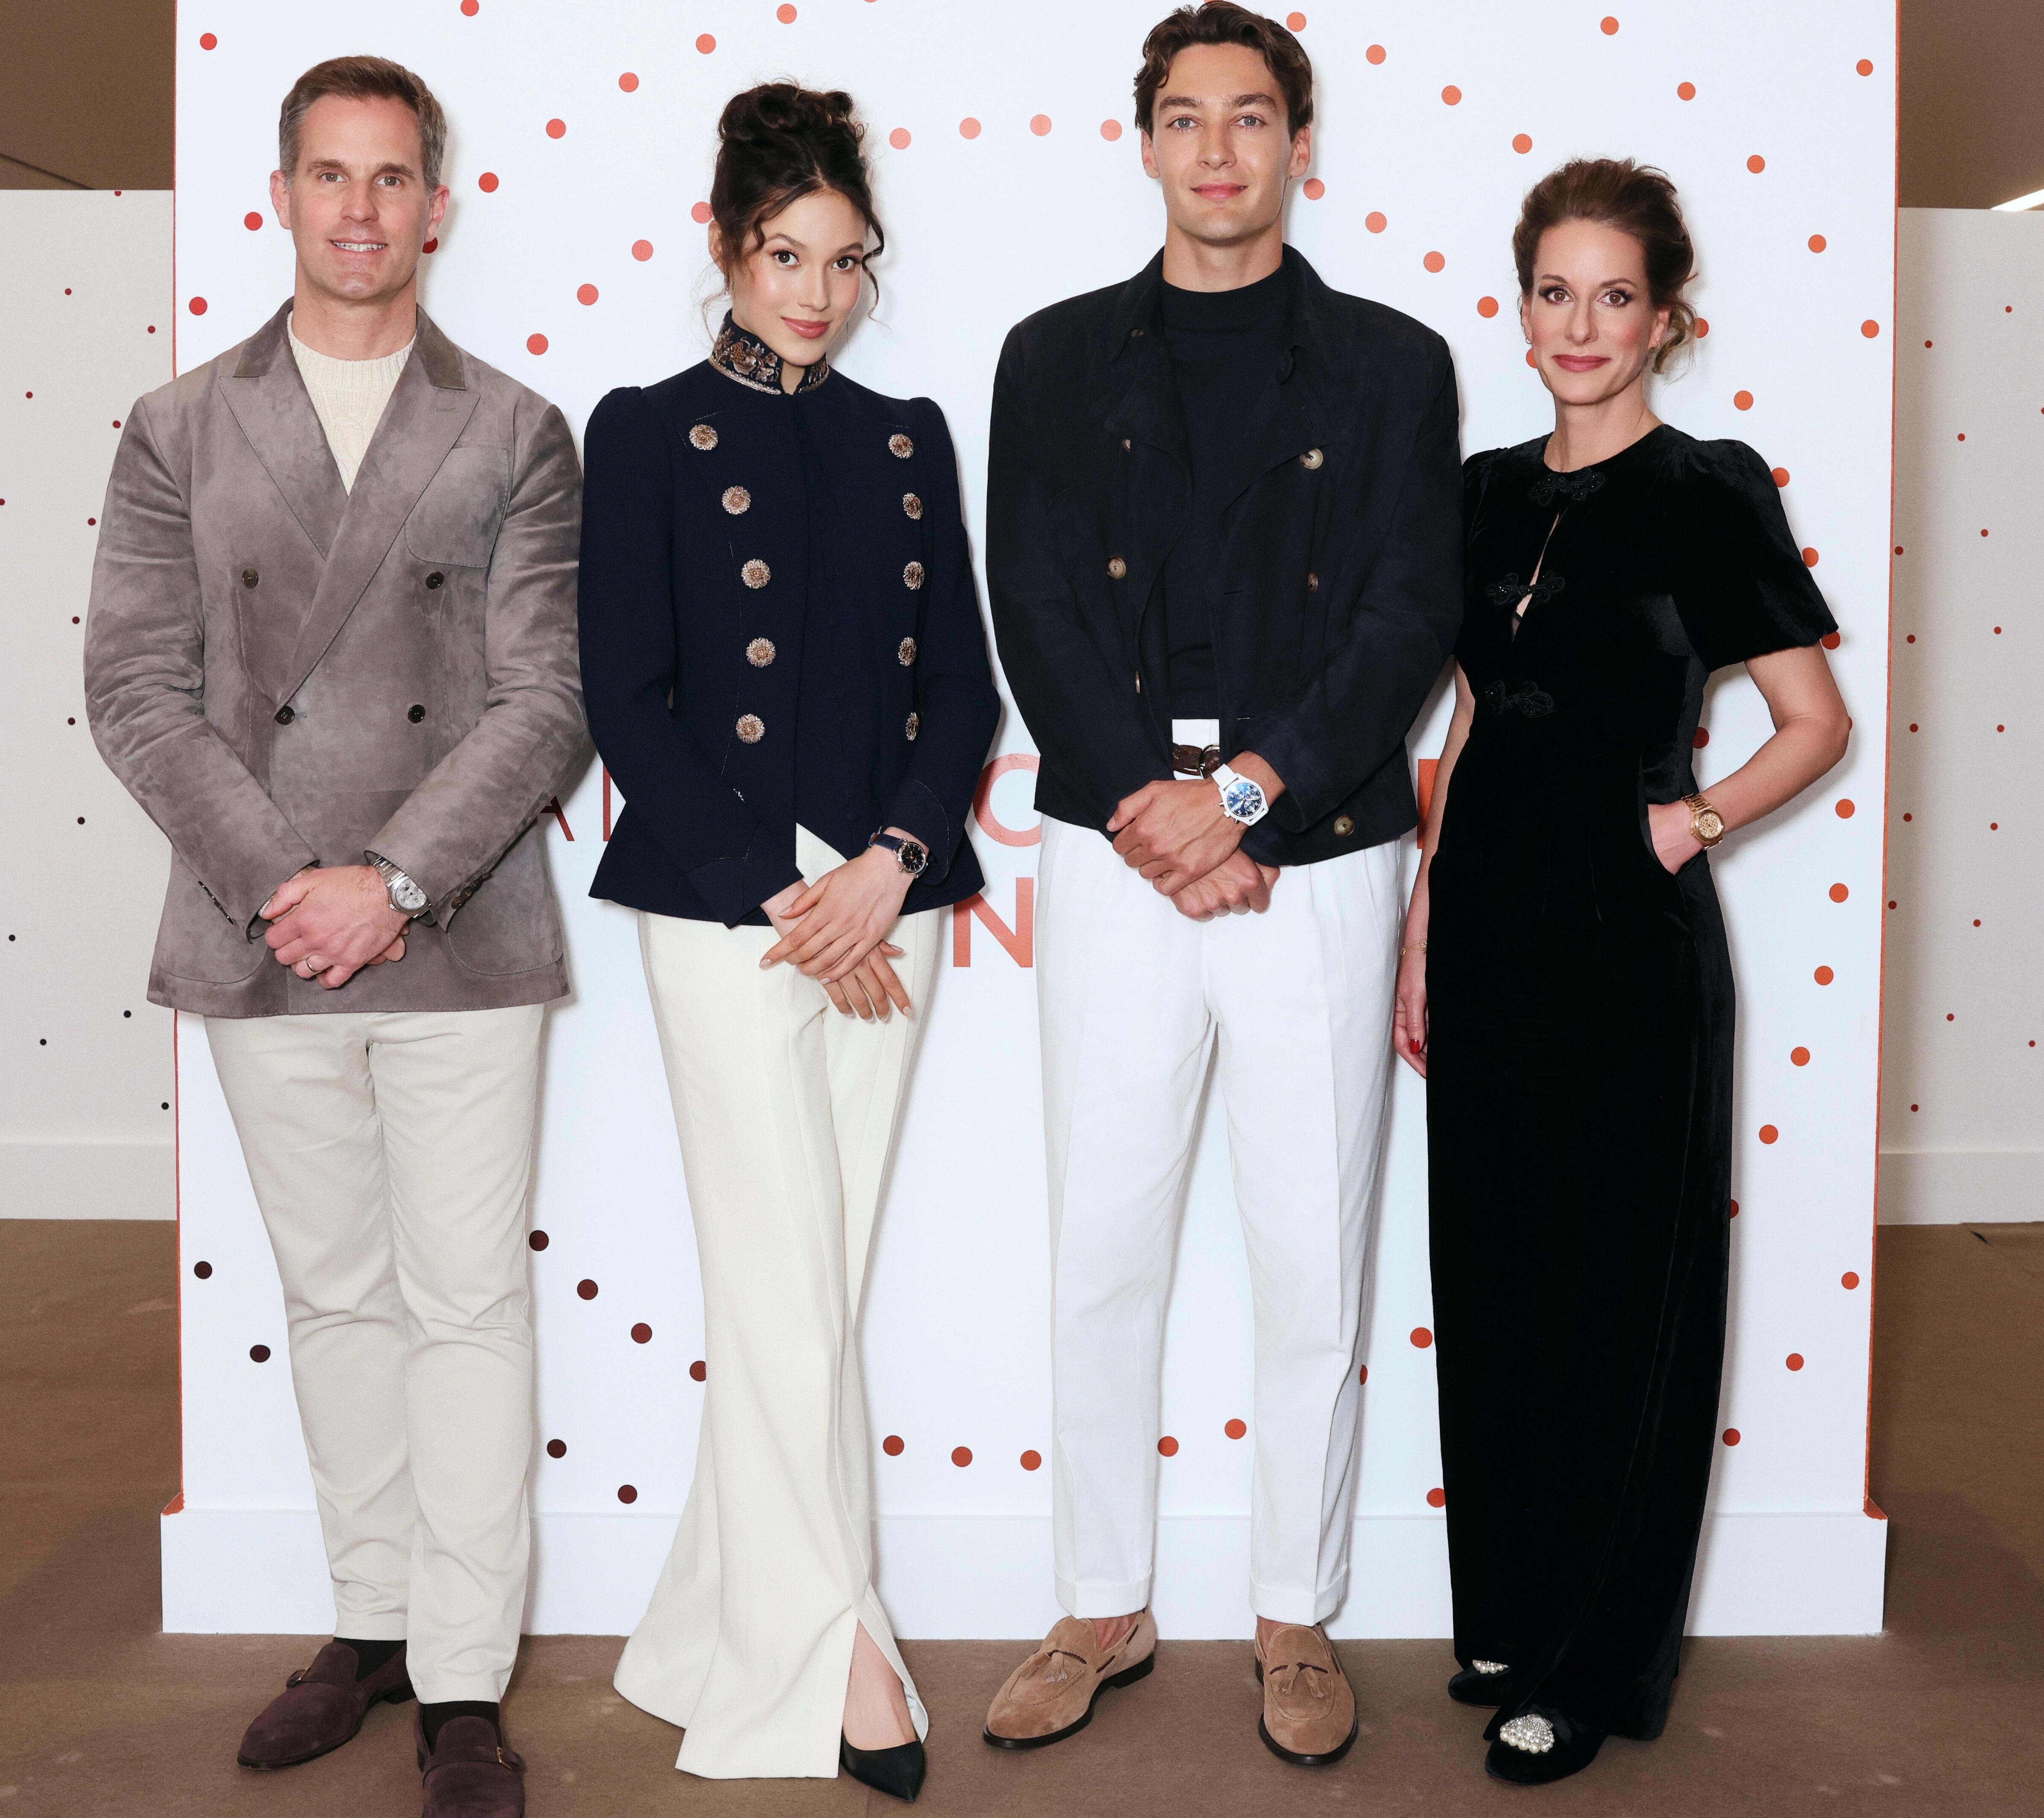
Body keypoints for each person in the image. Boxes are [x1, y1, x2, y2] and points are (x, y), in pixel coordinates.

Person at [83, 55, 583, 1818]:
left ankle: (464, 1676)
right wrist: (286, 881)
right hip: (261, 927)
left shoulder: (515, 428)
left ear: (437, 206)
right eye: (329, 174)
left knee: (468, 1302)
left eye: (390, 178)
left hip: (460, 925)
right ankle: (370, 1620)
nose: (359, 209)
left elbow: (546, 700)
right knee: (335, 1293)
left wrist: (396, 882)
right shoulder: (178, 426)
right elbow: (134, 689)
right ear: (281, 195)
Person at [981, 2, 1460, 1770]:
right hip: (1118, 840)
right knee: (1100, 1244)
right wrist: (1151, 809)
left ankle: (1293, 1610)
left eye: (1251, 117)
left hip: (1316, 844)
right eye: (1185, 118)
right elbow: (1032, 597)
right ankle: (1099, 1601)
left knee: (1309, 1251)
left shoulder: (1397, 365)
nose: (1218, 151)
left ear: (1298, 143)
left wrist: (1247, 793)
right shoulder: (1050, 357)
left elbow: (1408, 613)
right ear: (1146, 142)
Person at [1393, 157, 1854, 1786]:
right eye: (1555, 293)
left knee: (1612, 1297)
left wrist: (1688, 824)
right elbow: (1466, 719)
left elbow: (1816, 722)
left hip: (1628, 943)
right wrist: (1424, 925)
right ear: (1520, 310)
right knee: (1495, 1279)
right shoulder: (1479, 493)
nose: (1580, 325)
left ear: (1667, 319)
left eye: (1615, 297)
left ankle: (1591, 1663)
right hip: (1488, 926)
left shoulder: (1707, 491)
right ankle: (1511, 1618)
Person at [575, 83, 998, 1804]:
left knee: (814, 1290)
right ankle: (841, 1659)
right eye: (786, 256)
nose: (820, 294)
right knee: (774, 1284)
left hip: (890, 905)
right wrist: (784, 893)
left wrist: (889, 863)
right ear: (725, 247)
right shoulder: (645, 431)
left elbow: (961, 684)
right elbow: (628, 696)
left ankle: (702, 1632)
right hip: (728, 909)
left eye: (846, 259)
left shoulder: (906, 436)